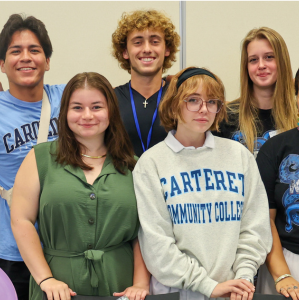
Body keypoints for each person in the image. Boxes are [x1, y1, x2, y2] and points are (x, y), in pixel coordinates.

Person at [133, 67, 272, 300]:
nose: (204, 109)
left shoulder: (238, 156)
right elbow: (156, 245)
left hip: (234, 291)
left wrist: (244, 277)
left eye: (212, 102)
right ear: (175, 104)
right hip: (177, 292)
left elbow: (255, 227)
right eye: (193, 100)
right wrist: (207, 285)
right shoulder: (151, 164)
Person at [11, 72, 150, 300]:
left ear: (111, 111)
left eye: (96, 107)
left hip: (120, 286)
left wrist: (141, 283)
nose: (87, 116)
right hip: (56, 287)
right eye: (77, 107)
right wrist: (46, 279)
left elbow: (143, 232)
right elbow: (21, 220)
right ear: (64, 112)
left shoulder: (134, 166)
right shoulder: (40, 158)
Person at [0, 14, 65, 300]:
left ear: (48, 61)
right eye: (15, 51)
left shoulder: (70, 98)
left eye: (34, 50)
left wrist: (170, 83)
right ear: (2, 64)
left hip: (66, 247)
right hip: (12, 252)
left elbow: (118, 98)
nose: (25, 58)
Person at [214, 27, 297, 157]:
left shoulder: (297, 114)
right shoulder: (225, 116)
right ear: (246, 67)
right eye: (253, 60)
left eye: (269, 57)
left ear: (282, 62)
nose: (261, 65)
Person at [111, 10, 180, 157]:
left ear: (167, 49)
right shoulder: (111, 99)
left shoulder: (180, 98)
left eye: (155, 42)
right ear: (125, 52)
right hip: (125, 179)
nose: (147, 49)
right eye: (138, 42)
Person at [256, 78, 299, 298]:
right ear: (297, 98)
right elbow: (264, 218)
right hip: (283, 260)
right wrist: (283, 275)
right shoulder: (275, 148)